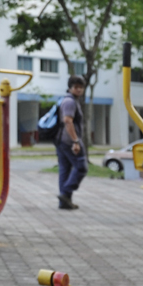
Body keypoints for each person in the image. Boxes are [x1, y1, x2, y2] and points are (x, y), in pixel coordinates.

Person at [56, 75, 90, 210]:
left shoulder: (68, 100)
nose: (79, 90)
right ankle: (65, 194)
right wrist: (75, 141)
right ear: (70, 88)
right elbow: (68, 121)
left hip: (61, 140)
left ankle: (64, 202)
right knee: (81, 167)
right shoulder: (70, 102)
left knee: (65, 170)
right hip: (69, 140)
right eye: (76, 87)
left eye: (81, 87)